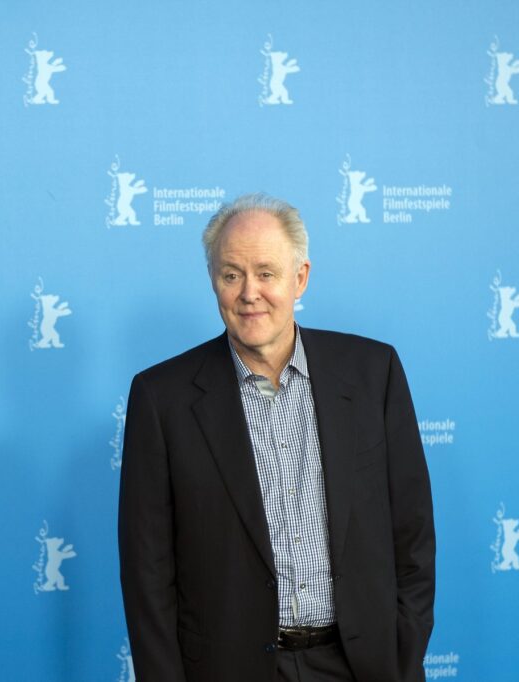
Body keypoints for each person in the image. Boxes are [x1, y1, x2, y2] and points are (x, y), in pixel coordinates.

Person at [118, 194, 435, 681]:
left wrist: (402, 657)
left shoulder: (374, 373)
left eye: (266, 273)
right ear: (213, 280)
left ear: (300, 278)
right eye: (231, 275)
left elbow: (412, 535)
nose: (250, 293)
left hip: (362, 667)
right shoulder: (162, 399)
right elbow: (147, 574)